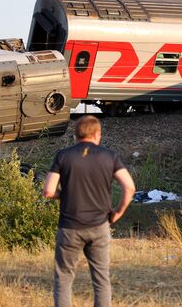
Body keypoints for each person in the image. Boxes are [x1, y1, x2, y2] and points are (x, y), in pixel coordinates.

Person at [43, 115, 135, 307]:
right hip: (99, 225)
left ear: (76, 135)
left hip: (69, 227)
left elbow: (49, 190)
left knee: (64, 279)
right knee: (101, 279)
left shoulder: (63, 155)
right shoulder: (109, 156)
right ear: (97, 134)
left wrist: (65, 195)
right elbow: (129, 187)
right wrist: (118, 212)